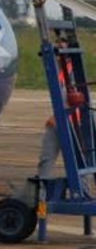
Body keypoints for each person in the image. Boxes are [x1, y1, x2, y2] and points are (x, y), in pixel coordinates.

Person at [37, 31, 86, 180]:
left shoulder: (72, 71)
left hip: (72, 122)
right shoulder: (57, 70)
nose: (58, 44)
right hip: (60, 121)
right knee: (46, 158)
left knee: (79, 162)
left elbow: (77, 100)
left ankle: (82, 190)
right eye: (57, 40)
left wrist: (58, 117)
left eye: (63, 41)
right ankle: (42, 191)